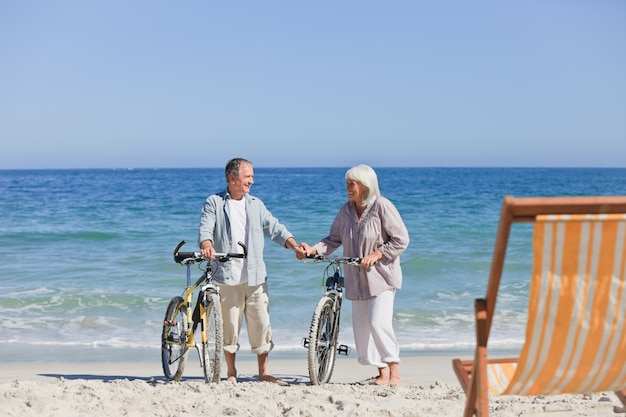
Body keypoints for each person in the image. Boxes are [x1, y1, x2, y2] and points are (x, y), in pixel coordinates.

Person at [298, 164, 409, 386]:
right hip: (356, 279)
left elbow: (401, 239)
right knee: (362, 330)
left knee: (378, 323)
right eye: (347, 183)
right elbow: (332, 239)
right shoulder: (346, 211)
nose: (347, 187)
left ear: (365, 186)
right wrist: (312, 250)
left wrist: (377, 253)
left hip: (381, 278)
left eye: (352, 183)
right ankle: (382, 372)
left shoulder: (382, 206)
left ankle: (394, 370)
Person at [198, 157, 303, 384]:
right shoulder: (214, 202)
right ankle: (231, 373)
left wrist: (294, 245)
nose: (252, 181)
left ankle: (264, 373)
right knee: (229, 326)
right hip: (226, 275)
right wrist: (207, 245)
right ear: (232, 178)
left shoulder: (255, 204)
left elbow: (275, 228)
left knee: (261, 324)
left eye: (252, 177)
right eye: (248, 177)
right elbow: (205, 227)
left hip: (255, 275)